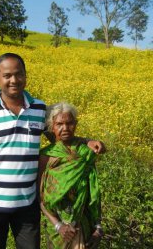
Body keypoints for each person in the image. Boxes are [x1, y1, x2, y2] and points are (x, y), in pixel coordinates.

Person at [0, 53, 105, 249]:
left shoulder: (39, 109)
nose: (14, 80)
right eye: (7, 75)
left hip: (27, 204)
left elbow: (60, 137)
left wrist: (87, 141)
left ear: (25, 76)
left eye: (19, 74)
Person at [39, 102, 103, 249]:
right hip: (57, 229)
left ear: (76, 124)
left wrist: (98, 227)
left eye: (70, 123)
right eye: (59, 124)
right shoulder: (46, 156)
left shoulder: (86, 152)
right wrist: (58, 226)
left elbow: (93, 192)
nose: (65, 128)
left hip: (85, 225)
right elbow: (40, 197)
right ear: (51, 126)